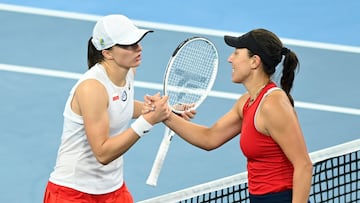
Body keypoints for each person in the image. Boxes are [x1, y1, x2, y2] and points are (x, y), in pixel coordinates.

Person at [148, 28, 313, 203]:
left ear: (254, 62)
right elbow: (209, 138)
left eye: (236, 53)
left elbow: (303, 165)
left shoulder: (273, 105)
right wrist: (165, 114)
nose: (230, 59)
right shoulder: (246, 102)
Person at [43, 14, 194, 203]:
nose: (139, 48)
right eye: (129, 45)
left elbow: (120, 105)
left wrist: (159, 110)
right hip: (72, 193)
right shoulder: (92, 88)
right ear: (107, 52)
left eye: (137, 42)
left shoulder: (128, 71)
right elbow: (103, 153)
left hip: (113, 190)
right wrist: (146, 122)